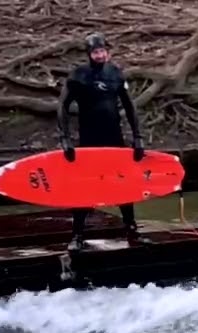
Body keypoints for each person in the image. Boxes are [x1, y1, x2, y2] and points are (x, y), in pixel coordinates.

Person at [57, 32, 146, 251]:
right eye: (96, 52)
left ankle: (131, 229)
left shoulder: (116, 73)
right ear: (89, 54)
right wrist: (65, 139)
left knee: (124, 183)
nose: (100, 55)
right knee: (85, 186)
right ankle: (77, 235)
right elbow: (62, 107)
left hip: (114, 138)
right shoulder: (78, 76)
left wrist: (137, 137)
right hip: (89, 141)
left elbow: (129, 106)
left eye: (103, 51)